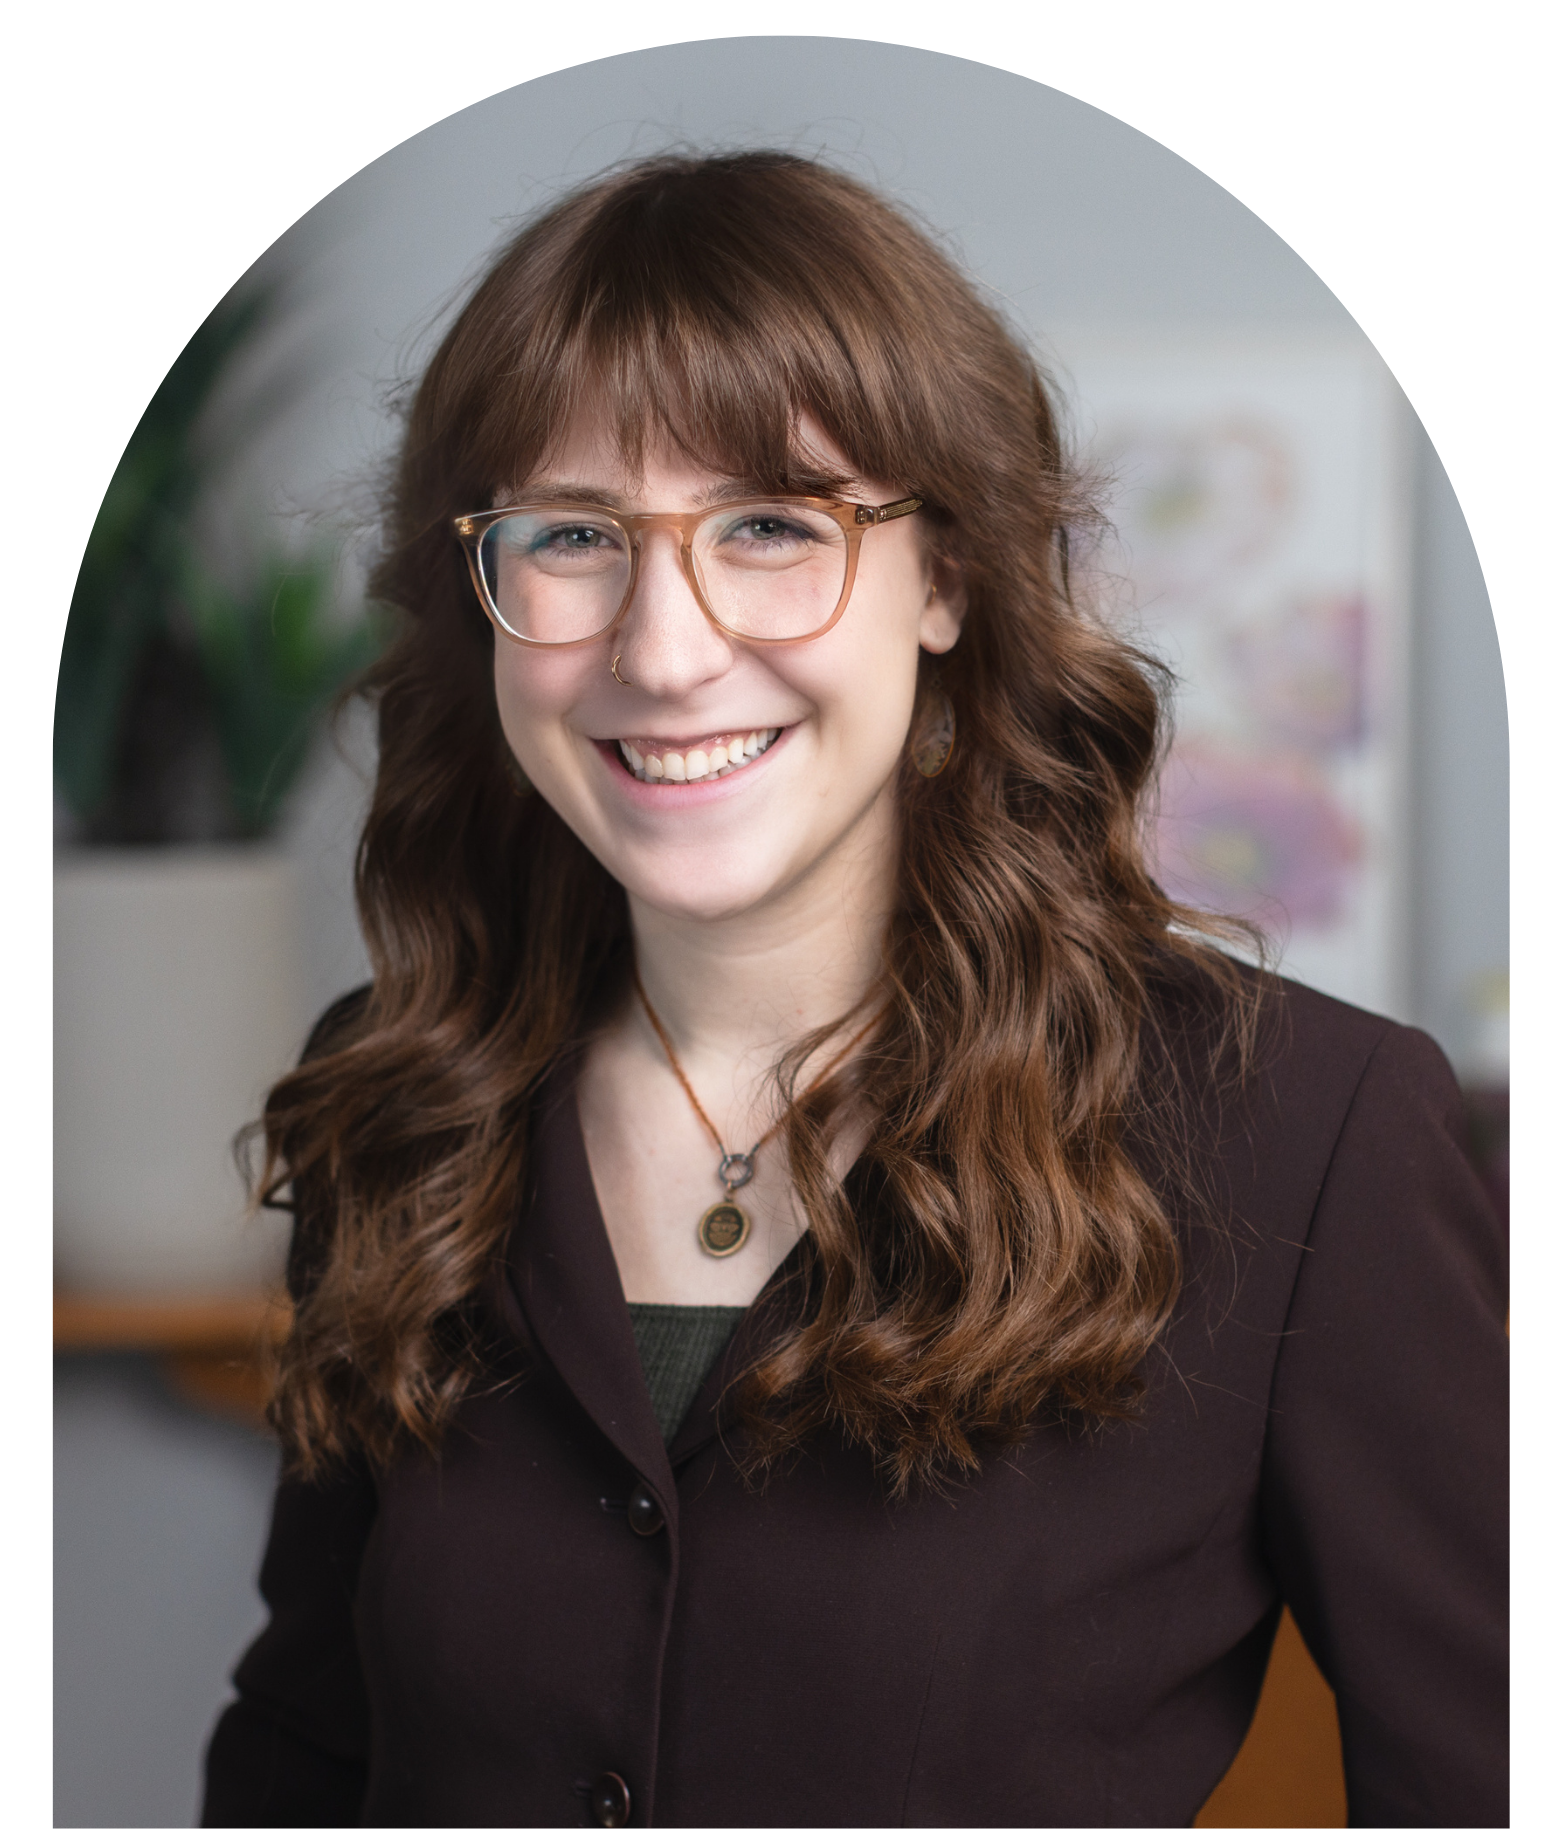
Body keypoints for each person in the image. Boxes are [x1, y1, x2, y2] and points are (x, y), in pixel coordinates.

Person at [200, 152, 1505, 1828]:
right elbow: (308, 1749)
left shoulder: (1304, 1136)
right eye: (572, 537)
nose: (662, 651)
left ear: (946, 580)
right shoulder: (401, 1094)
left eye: (766, 528)